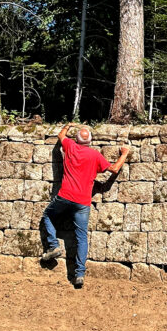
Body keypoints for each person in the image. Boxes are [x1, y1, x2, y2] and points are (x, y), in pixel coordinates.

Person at [41, 123, 129, 288]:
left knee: (48, 216)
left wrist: (68, 125)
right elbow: (114, 169)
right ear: (90, 141)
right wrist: (124, 154)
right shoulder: (95, 156)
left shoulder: (70, 146)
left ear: (76, 139)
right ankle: (79, 274)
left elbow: (60, 136)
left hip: (64, 196)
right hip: (82, 202)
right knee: (81, 237)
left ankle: (53, 246)